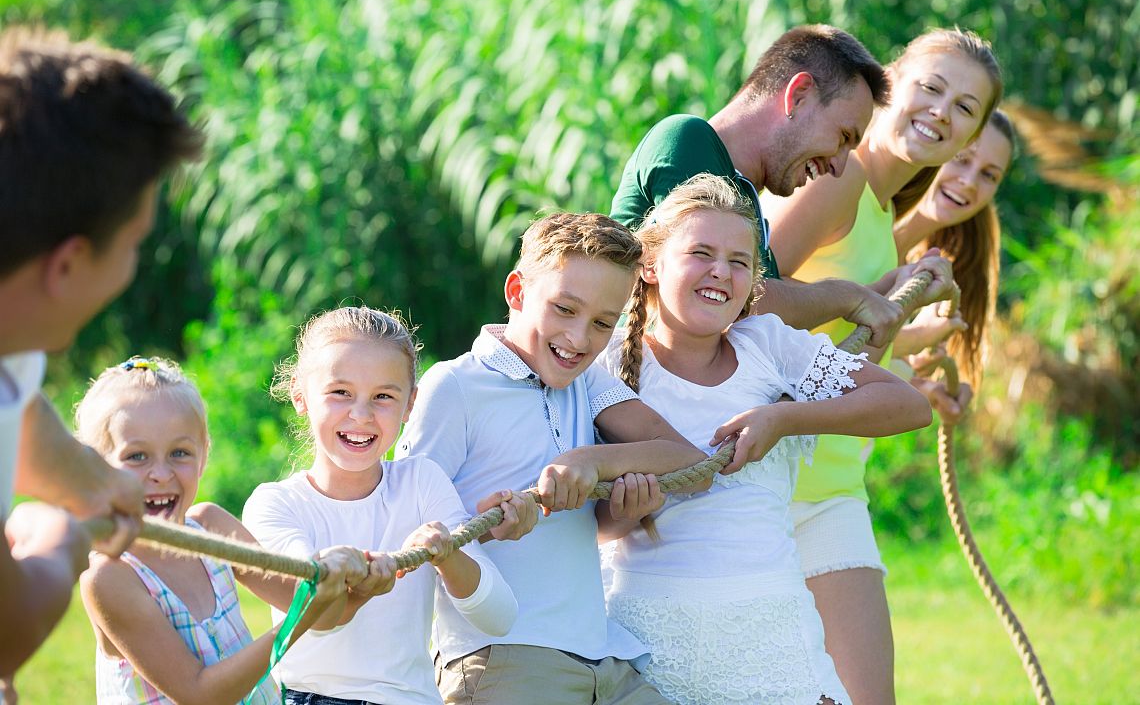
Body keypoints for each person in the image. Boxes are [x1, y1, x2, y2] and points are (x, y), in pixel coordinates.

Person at [598, 173, 931, 705]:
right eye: (701, 253)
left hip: (769, 627)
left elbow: (907, 406)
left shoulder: (767, 346)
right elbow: (591, 522)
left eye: (739, 261)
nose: (720, 271)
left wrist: (784, 420)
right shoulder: (607, 364)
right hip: (645, 632)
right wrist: (624, 511)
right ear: (650, 264)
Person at [762, 28, 1003, 705]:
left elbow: (836, 345)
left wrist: (902, 346)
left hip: (833, 484)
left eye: (964, 108)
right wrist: (871, 298)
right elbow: (744, 301)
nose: (941, 112)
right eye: (931, 88)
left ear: (972, 135)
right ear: (890, 82)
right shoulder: (836, 180)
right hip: (767, 480)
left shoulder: (877, 207)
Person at [397, 212, 709, 705]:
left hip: (600, 657)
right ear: (517, 292)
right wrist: (488, 529)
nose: (580, 339)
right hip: (505, 657)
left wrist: (600, 475)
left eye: (603, 323)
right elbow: (409, 523)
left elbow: (691, 464)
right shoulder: (455, 385)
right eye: (564, 309)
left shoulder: (588, 382)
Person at [0, 26, 202, 677]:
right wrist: (60, 536)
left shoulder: (11, 345)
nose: (133, 266)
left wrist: (94, 480)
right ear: (67, 266)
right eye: (133, 242)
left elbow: (20, 414)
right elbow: (9, 628)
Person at [244, 307, 520, 705]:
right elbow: (319, 614)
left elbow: (499, 617)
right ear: (300, 396)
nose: (361, 415)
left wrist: (448, 556)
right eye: (340, 392)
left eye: (383, 397)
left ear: (410, 406)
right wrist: (355, 579)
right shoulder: (275, 504)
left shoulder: (422, 482)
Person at [76, 357, 372, 704]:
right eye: (137, 456)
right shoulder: (110, 577)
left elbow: (323, 614)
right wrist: (299, 617)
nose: (161, 474)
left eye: (179, 453)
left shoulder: (211, 528)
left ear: (203, 456)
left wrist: (361, 585)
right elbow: (200, 694)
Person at [611, 24, 909, 348]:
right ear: (798, 95)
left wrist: (876, 293)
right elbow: (749, 306)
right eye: (843, 137)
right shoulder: (687, 139)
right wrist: (848, 297)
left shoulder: (746, 206)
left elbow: (772, 304)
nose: (838, 166)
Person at [891, 110, 1016, 424]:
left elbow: (849, 375)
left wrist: (926, 390)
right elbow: (809, 341)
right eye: (961, 159)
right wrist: (915, 337)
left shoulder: (918, 271)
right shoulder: (861, 227)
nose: (969, 182)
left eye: (989, 175)